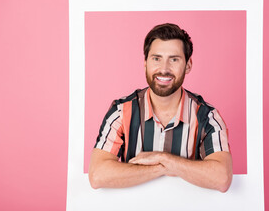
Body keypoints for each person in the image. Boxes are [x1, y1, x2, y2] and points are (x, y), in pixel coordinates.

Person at [89, 23, 233, 192]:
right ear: (145, 63)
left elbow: (222, 179)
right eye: (156, 58)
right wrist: (163, 167)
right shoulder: (121, 111)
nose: (164, 69)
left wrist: (160, 157)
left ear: (188, 65)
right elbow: (98, 175)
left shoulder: (207, 117)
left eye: (174, 59)